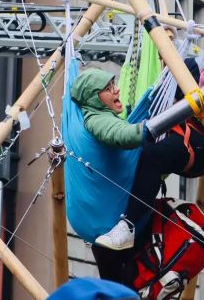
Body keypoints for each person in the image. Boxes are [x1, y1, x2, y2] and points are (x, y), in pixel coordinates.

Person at [94, 20, 204, 251]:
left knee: (152, 155)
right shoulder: (191, 66)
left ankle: (128, 226)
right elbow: (162, 89)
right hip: (173, 135)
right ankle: (125, 222)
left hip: (200, 148)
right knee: (135, 152)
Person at [69, 68, 146, 284]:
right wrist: (146, 129)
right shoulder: (97, 119)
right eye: (109, 88)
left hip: (100, 224)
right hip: (109, 224)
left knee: (117, 284)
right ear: (95, 97)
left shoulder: (94, 115)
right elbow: (121, 134)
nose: (117, 89)